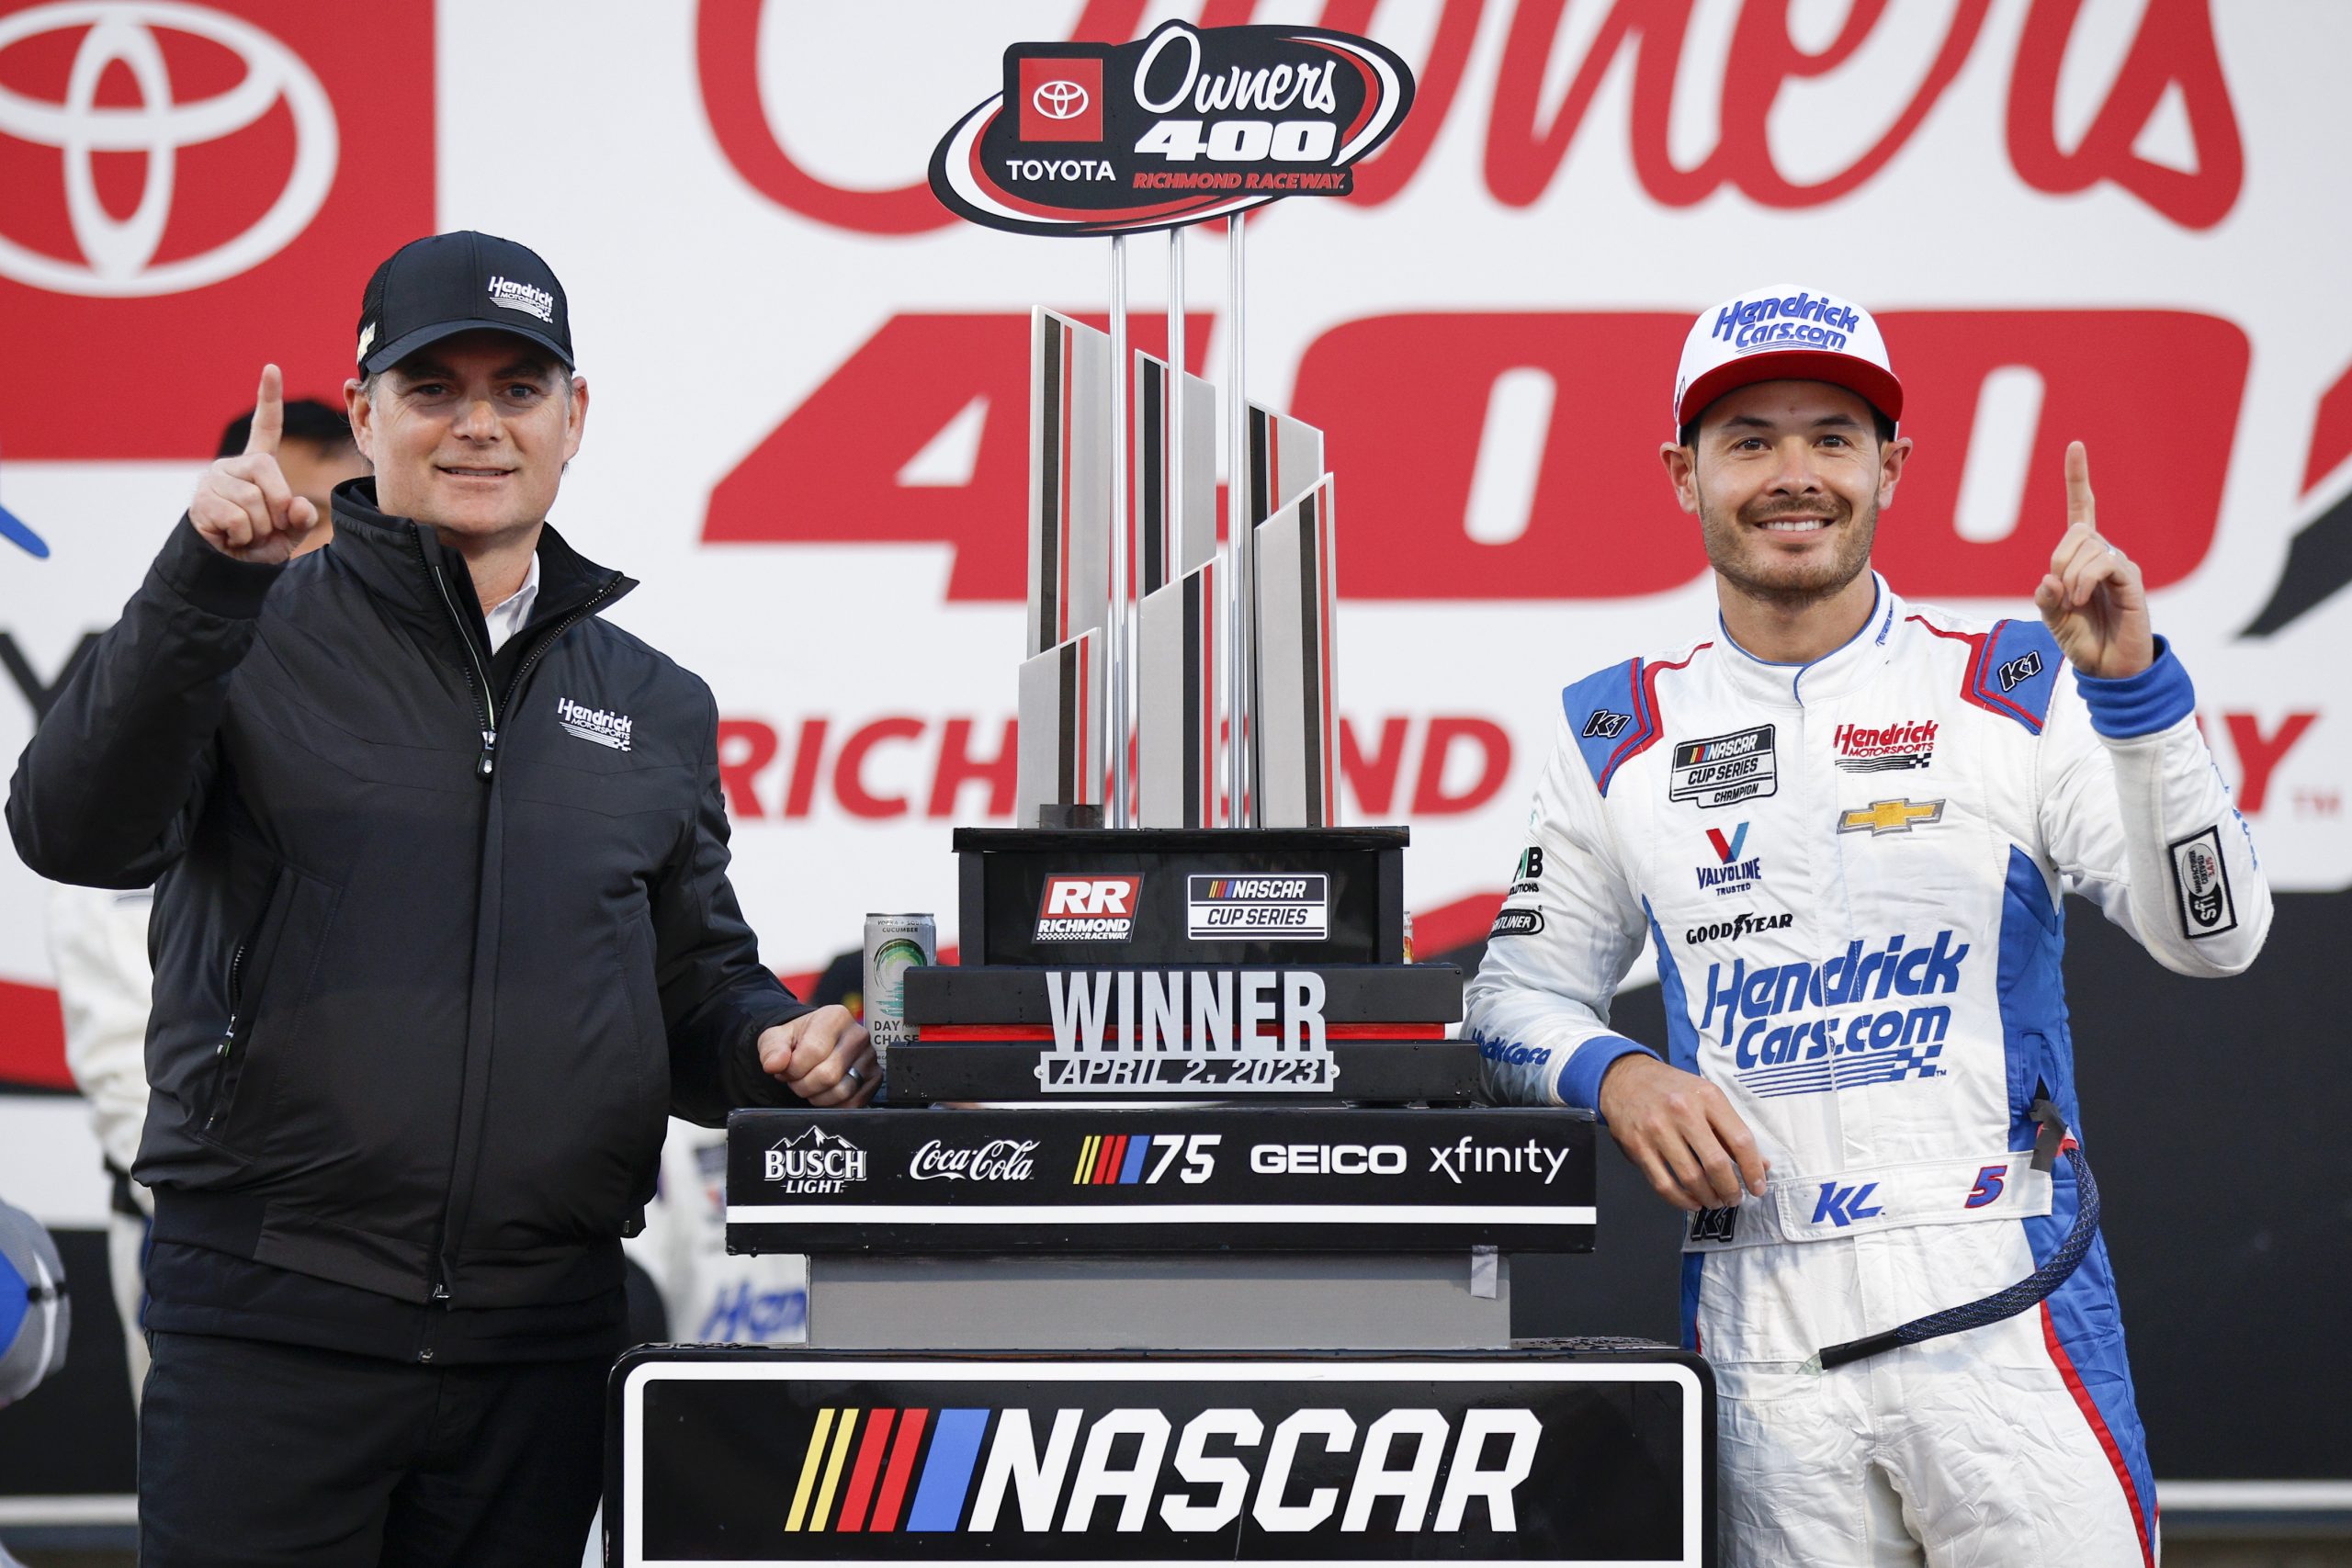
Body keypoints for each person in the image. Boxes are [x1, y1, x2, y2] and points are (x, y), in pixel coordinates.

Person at [7, 231, 877, 1567]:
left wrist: (776, 1043)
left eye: (520, 388)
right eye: (434, 388)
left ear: (575, 417)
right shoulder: (243, 627)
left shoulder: (653, 703)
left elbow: (693, 979)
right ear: (365, 416)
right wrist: (198, 581)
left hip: (538, 1350)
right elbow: (71, 829)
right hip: (268, 1332)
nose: (480, 423)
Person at [1464, 283, 2270, 1567]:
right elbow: (1508, 998)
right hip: (1763, 1311)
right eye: (1750, 440)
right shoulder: (1617, 729)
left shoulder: (2016, 687)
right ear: (1685, 474)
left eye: (1833, 436)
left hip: (2005, 1301)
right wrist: (1618, 1072)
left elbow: (2213, 936)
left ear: (1892, 464)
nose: (1796, 474)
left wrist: (2135, 695)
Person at [46, 394, 368, 1411]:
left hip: (386, 1246)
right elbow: (109, 980)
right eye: (293, 502)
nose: (309, 531)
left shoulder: (402, 685)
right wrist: (204, 1196)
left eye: (337, 506)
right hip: (204, 1228)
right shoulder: (164, 673)